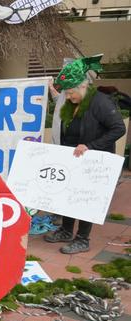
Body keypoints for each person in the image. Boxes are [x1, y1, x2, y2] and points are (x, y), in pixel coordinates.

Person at [44, 55, 126, 254]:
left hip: (93, 158)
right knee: (69, 195)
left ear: (82, 86)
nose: (69, 97)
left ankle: (83, 239)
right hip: (72, 156)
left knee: (85, 199)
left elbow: (118, 128)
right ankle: (65, 230)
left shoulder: (100, 103)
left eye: (71, 93)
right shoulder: (73, 103)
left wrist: (90, 145)